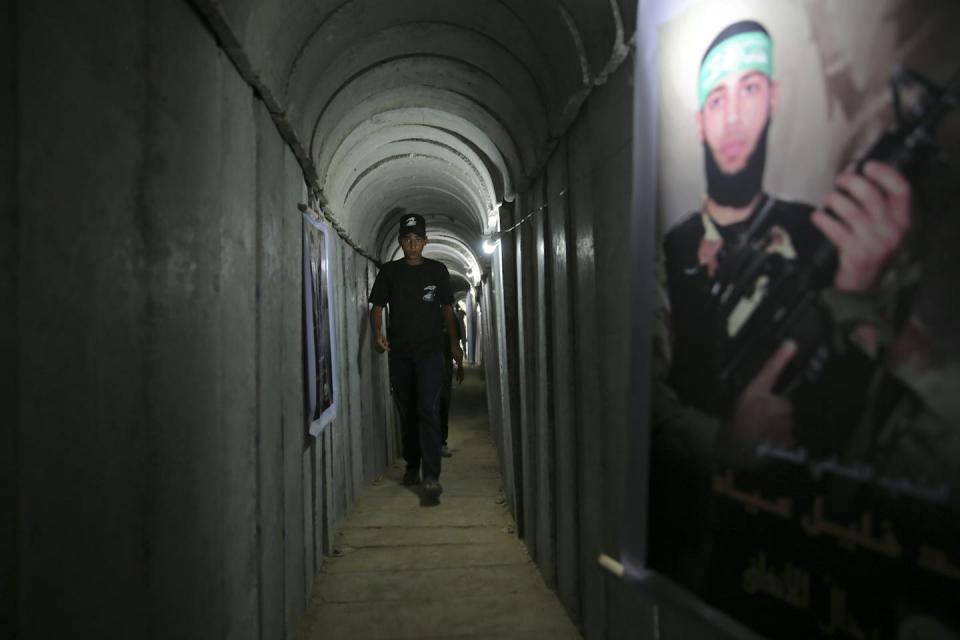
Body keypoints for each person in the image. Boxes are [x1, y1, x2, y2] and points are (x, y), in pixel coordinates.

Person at [661, 20, 912, 456]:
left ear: (773, 98)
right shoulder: (672, 252)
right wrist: (726, 442)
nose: (734, 118)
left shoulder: (821, 233)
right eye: (718, 99)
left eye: (751, 89)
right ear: (700, 122)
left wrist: (861, 293)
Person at [369, 213, 464, 499]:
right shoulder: (389, 272)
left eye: (417, 240)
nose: (412, 245)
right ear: (400, 242)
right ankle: (412, 463)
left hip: (431, 353)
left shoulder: (437, 271)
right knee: (408, 411)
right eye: (407, 240)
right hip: (401, 355)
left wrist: (454, 345)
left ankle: (431, 475)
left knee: (428, 409)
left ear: (425, 242)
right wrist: (377, 333)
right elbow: (377, 306)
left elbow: (447, 309)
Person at [439, 307, 466, 457]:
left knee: (443, 402)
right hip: (427, 364)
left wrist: (460, 366)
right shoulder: (424, 313)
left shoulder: (452, 317)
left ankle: (441, 442)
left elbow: (456, 345)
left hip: (445, 366)